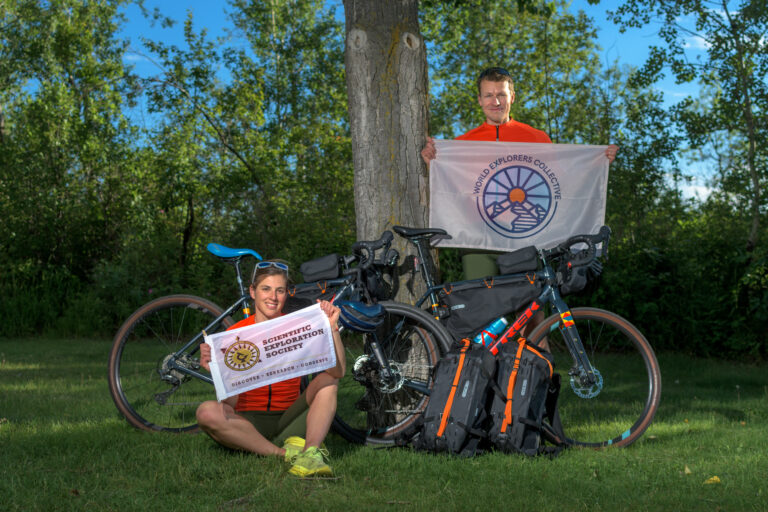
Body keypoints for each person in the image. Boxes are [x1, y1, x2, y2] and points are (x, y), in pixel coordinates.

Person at [421, 66, 619, 279]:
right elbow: (450, 186)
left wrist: (597, 163)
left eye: (501, 95)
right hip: (478, 237)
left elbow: (561, 183)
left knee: (531, 305)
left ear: (512, 97)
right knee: (481, 305)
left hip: (527, 236)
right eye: (489, 95)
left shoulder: (537, 139)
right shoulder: (462, 144)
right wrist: (432, 162)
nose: (495, 102)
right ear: (479, 99)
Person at [196, 260, 345, 478]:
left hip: (288, 417)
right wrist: (219, 372)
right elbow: (230, 404)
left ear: (286, 294)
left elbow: (338, 372)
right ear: (252, 292)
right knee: (206, 411)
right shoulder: (233, 336)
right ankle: (284, 454)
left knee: (328, 381)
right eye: (266, 289)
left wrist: (332, 329)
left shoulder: (299, 326)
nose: (273, 297)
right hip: (248, 423)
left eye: (280, 290)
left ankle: (311, 452)